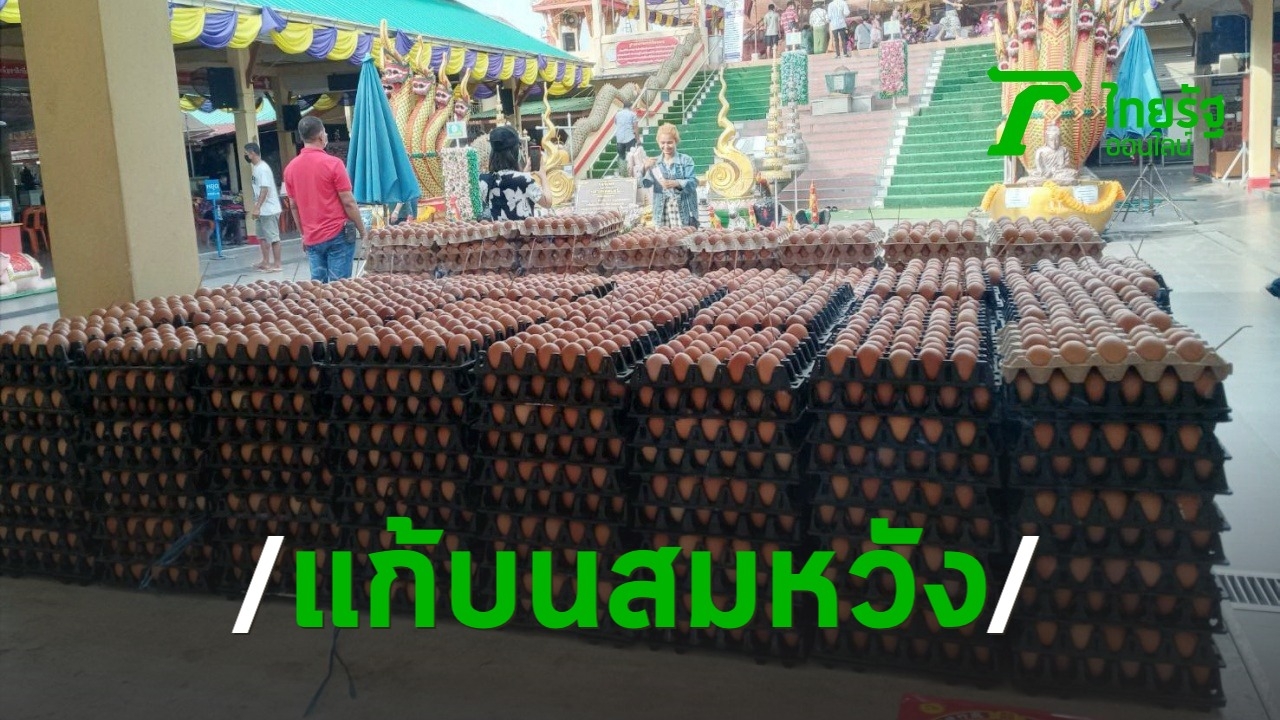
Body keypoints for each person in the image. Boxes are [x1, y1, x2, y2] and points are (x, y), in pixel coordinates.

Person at [283, 115, 367, 283]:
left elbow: (293, 205)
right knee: (339, 288)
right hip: (338, 235)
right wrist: (363, 231)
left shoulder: (290, 169)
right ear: (321, 135)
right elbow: (348, 202)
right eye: (325, 132)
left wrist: (303, 235)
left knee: (318, 288)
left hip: (312, 238)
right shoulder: (334, 164)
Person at [478, 125, 551, 221]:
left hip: (496, 230)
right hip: (521, 231)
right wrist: (543, 175)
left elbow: (507, 182)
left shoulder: (483, 179)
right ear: (515, 151)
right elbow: (547, 202)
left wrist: (524, 173)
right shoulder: (524, 180)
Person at [641, 123, 698, 228]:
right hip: (662, 210)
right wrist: (644, 168)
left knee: (684, 236)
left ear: (676, 141)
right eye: (662, 143)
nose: (666, 146)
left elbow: (693, 183)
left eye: (670, 142)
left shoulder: (686, 160)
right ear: (658, 143)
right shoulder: (655, 163)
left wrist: (677, 183)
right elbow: (645, 184)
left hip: (683, 210)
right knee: (664, 237)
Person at [244, 142, 283, 272]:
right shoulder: (256, 168)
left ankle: (277, 264)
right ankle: (265, 261)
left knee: (273, 237)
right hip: (261, 210)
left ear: (252, 153)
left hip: (269, 210)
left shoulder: (263, 168)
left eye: (246, 153)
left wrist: (257, 207)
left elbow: (264, 189)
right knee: (262, 236)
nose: (245, 156)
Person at [614, 100, 639, 167]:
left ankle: (622, 170)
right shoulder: (632, 114)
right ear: (630, 107)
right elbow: (636, 128)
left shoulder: (617, 114)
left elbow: (616, 123)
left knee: (621, 157)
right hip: (630, 138)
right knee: (631, 156)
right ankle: (630, 171)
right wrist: (638, 139)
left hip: (619, 139)